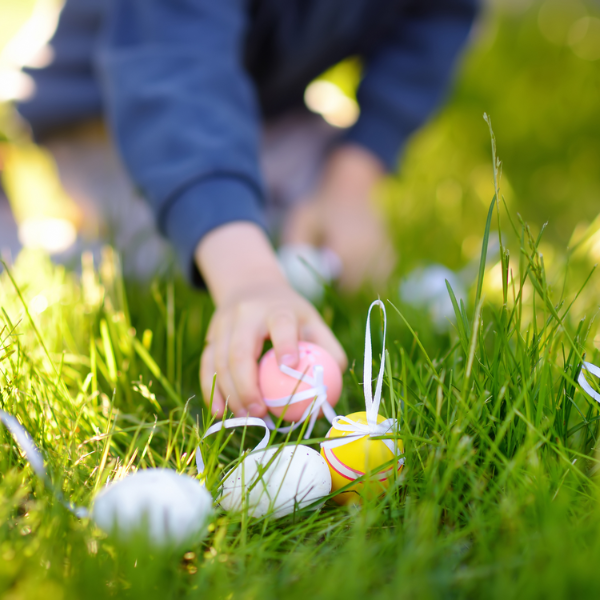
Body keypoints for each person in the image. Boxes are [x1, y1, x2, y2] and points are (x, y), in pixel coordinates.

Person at [15, 0, 478, 420]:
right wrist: (249, 279)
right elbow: (174, 74)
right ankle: (45, 237)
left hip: (259, 105)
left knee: (306, 211)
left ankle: (260, 204)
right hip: (116, 107)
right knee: (162, 256)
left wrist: (351, 183)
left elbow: (434, 22)